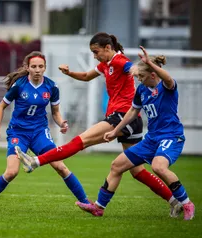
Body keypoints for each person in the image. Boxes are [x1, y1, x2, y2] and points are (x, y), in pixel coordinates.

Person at [16, 32, 183, 217]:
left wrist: (142, 67)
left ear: (108, 48)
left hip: (122, 116)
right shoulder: (106, 64)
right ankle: (174, 201)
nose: (95, 56)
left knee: (81, 140)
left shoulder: (120, 61)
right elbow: (87, 76)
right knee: (136, 171)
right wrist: (70, 72)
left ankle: (36, 161)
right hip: (128, 119)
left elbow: (133, 68)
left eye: (96, 52)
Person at [76, 46, 195, 220]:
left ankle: (186, 204)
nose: (139, 79)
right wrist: (115, 131)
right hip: (152, 139)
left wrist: (150, 63)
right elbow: (132, 112)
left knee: (158, 166)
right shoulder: (141, 90)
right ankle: (99, 207)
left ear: (153, 74)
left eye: (142, 76)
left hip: (171, 136)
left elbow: (168, 77)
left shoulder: (167, 87)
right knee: (117, 166)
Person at [0, 51, 90, 211]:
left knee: (61, 167)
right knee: (11, 172)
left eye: (41, 66)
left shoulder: (51, 86)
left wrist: (61, 123)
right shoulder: (19, 85)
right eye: (34, 66)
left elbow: (55, 112)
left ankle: (86, 202)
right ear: (28, 68)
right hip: (18, 133)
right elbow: (1, 106)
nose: (37, 69)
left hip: (39, 133)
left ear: (45, 68)